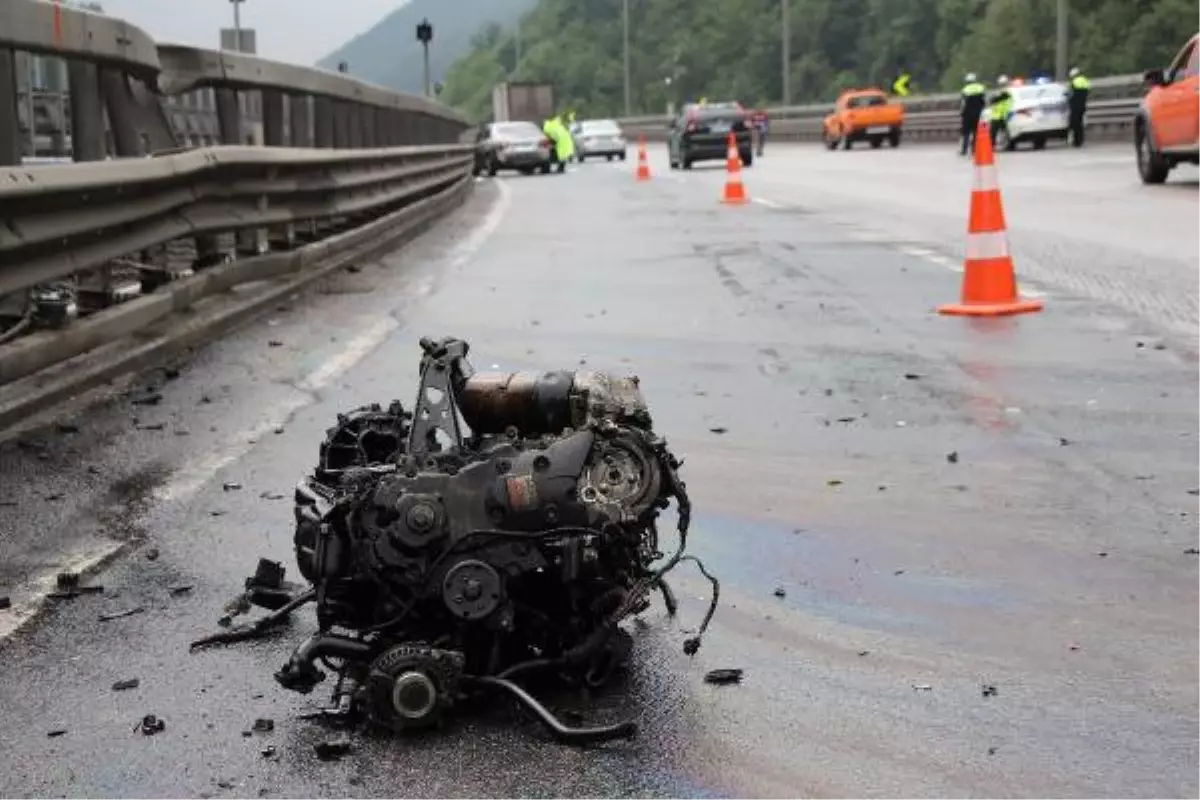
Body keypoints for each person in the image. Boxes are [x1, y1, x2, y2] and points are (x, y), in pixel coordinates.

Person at [959, 73, 987, 156]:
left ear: (967, 81)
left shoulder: (965, 89)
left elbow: (963, 103)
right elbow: (984, 100)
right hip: (978, 113)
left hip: (968, 113)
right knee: (976, 132)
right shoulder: (981, 88)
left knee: (966, 132)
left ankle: (964, 150)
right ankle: (974, 149)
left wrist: (961, 112)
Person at [1067, 67, 1091, 147]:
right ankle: (1080, 140)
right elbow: (1088, 91)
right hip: (1083, 105)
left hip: (1075, 105)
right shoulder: (1085, 80)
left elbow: (1070, 93)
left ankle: (1076, 141)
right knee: (1080, 123)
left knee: (1074, 123)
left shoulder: (1074, 82)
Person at [988, 81, 1012, 148]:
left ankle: (1008, 144)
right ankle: (992, 145)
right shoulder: (999, 92)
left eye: (1003, 84)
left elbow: (999, 99)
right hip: (998, 115)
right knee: (994, 132)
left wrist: (993, 100)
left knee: (1004, 131)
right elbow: (993, 100)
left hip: (1004, 115)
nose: (1001, 86)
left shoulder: (1006, 92)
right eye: (1001, 84)